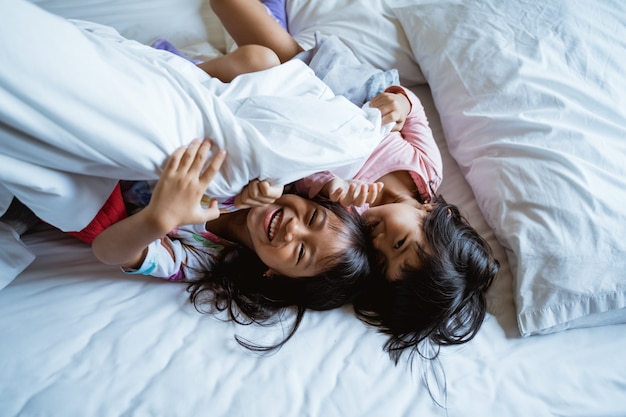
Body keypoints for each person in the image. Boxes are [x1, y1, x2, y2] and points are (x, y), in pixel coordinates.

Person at [208, 0, 500, 362]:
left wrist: (330, 186)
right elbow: (413, 112)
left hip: (304, 118)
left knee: (258, 62)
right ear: (432, 214)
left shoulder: (351, 217)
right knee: (268, 45)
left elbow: (299, 174)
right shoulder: (425, 169)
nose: (378, 240)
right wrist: (403, 104)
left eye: (380, 260)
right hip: (335, 86)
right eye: (399, 241)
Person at [92, 139, 375, 351]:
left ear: (276, 275)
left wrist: (160, 219)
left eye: (301, 251)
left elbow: (107, 252)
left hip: (113, 166)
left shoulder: (209, 258)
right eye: (312, 217)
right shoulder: (275, 175)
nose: (294, 228)